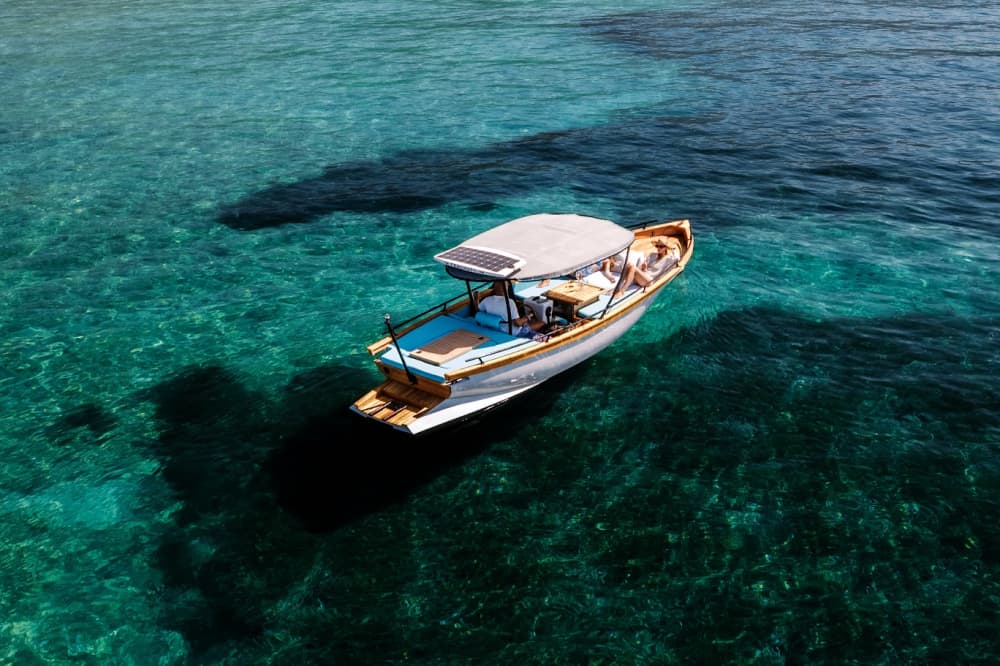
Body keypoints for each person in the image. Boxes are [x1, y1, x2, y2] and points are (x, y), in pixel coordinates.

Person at [613, 236, 681, 296]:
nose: (658, 248)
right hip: (643, 277)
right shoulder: (652, 255)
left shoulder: (668, 259)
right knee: (629, 265)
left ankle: (622, 291)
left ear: (666, 248)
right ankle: (617, 288)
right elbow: (644, 271)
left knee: (633, 267)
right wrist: (644, 268)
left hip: (650, 281)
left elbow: (677, 258)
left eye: (661, 246)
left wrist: (672, 249)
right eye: (657, 246)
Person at [477, 281, 545, 337]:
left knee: (527, 323)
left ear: (494, 287)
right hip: (515, 333)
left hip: (496, 329)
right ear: (506, 288)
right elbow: (518, 323)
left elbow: (478, 310)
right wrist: (527, 317)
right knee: (541, 323)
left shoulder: (487, 300)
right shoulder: (510, 302)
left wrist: (477, 299)